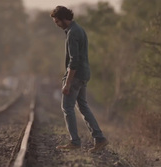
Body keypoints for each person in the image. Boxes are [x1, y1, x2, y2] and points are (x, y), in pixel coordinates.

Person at [50, 6, 108, 153]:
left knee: (67, 107)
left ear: (63, 19)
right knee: (83, 106)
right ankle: (100, 139)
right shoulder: (78, 29)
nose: (56, 24)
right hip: (83, 74)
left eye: (57, 21)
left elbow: (74, 61)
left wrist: (68, 82)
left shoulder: (72, 33)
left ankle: (75, 141)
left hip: (76, 75)